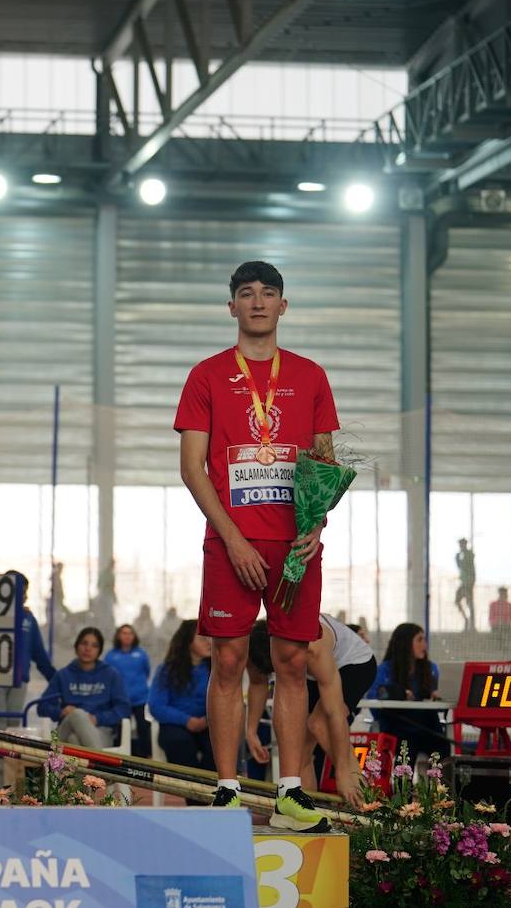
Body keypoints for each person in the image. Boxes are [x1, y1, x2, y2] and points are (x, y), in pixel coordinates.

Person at [174, 259, 339, 832]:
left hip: (295, 545)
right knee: (228, 659)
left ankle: (290, 792)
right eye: (247, 294)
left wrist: (315, 523)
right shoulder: (206, 376)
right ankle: (226, 789)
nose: (259, 302)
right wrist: (233, 538)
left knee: (293, 662)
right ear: (233, 307)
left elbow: (324, 463)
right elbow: (192, 469)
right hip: (230, 543)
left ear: (283, 306)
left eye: (269, 293)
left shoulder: (312, 376)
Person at [245, 616, 375, 808]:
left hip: (354, 664)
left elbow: (335, 714)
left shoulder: (314, 646)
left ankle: (366, 805)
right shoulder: (250, 645)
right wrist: (251, 730)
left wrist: (342, 771)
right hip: (311, 673)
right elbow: (257, 682)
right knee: (297, 752)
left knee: (319, 724)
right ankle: (307, 812)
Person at [0, 570, 56, 787]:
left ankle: (10, 786)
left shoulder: (28, 618)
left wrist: (59, 682)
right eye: (19, 591)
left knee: (12, 733)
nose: (23, 596)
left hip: (18, 681)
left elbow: (39, 655)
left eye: (25, 591)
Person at [368, 622, 450, 762]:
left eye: (424, 640)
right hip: (398, 728)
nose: (424, 645)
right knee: (406, 749)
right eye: (419, 640)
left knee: (443, 746)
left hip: (427, 728)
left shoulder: (431, 669)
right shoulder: (385, 669)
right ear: (405, 643)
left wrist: (436, 697)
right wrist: (397, 693)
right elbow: (374, 702)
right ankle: (403, 784)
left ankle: (438, 784)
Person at [38, 627, 130, 751]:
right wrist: (61, 712)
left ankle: (89, 768)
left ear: (99, 651)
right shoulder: (63, 675)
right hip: (65, 730)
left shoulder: (110, 675)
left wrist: (97, 719)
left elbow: (123, 709)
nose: (88, 649)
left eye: (94, 645)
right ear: (77, 646)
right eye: (84, 643)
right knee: (77, 714)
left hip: (100, 731)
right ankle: (102, 766)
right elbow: (42, 706)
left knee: (74, 740)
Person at [147, 619, 213, 773]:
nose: (209, 642)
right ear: (187, 642)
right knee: (180, 743)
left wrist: (207, 720)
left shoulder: (216, 670)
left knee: (219, 746)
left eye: (210, 637)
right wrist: (187, 720)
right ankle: (194, 795)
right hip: (176, 725)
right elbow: (156, 706)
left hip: (208, 724)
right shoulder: (167, 670)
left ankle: (210, 792)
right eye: (203, 638)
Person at [104, 623, 153, 759]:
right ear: (118, 636)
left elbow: (147, 671)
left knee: (143, 727)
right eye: (124, 633)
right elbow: (107, 676)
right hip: (120, 699)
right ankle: (119, 756)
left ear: (134, 636)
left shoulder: (141, 654)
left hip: (139, 698)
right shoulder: (111, 656)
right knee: (120, 729)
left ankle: (146, 757)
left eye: (130, 633)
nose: (127, 636)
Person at [454, 538, 476, 631]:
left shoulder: (468, 555)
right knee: (458, 601)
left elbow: (463, 565)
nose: (461, 547)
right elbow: (460, 566)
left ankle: (471, 624)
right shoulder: (462, 555)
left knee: (469, 602)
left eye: (462, 545)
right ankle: (467, 620)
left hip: (468, 583)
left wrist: (458, 557)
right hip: (464, 582)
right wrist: (457, 557)